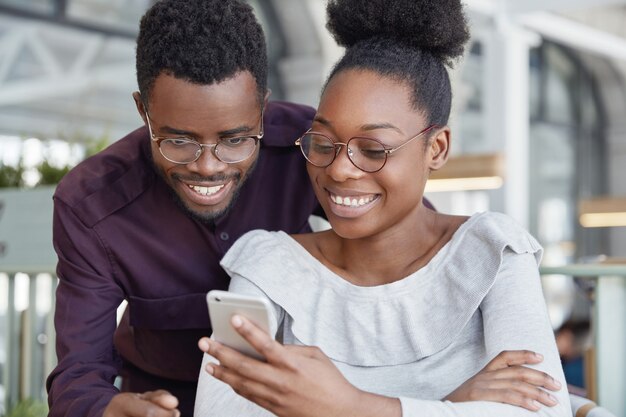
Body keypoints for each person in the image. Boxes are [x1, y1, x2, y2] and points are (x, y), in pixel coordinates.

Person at [194, 0, 571, 416]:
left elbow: (544, 410)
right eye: (322, 143)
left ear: (437, 148)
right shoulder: (270, 267)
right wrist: (451, 404)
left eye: (372, 150)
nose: (338, 170)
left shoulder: (491, 252)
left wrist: (348, 406)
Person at [45, 1, 324, 416]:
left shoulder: (313, 147)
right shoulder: (91, 204)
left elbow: (410, 241)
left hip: (296, 394)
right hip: (165, 399)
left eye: (235, 140)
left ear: (262, 108)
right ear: (144, 111)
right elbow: (78, 375)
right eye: (178, 141)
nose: (208, 167)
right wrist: (107, 409)